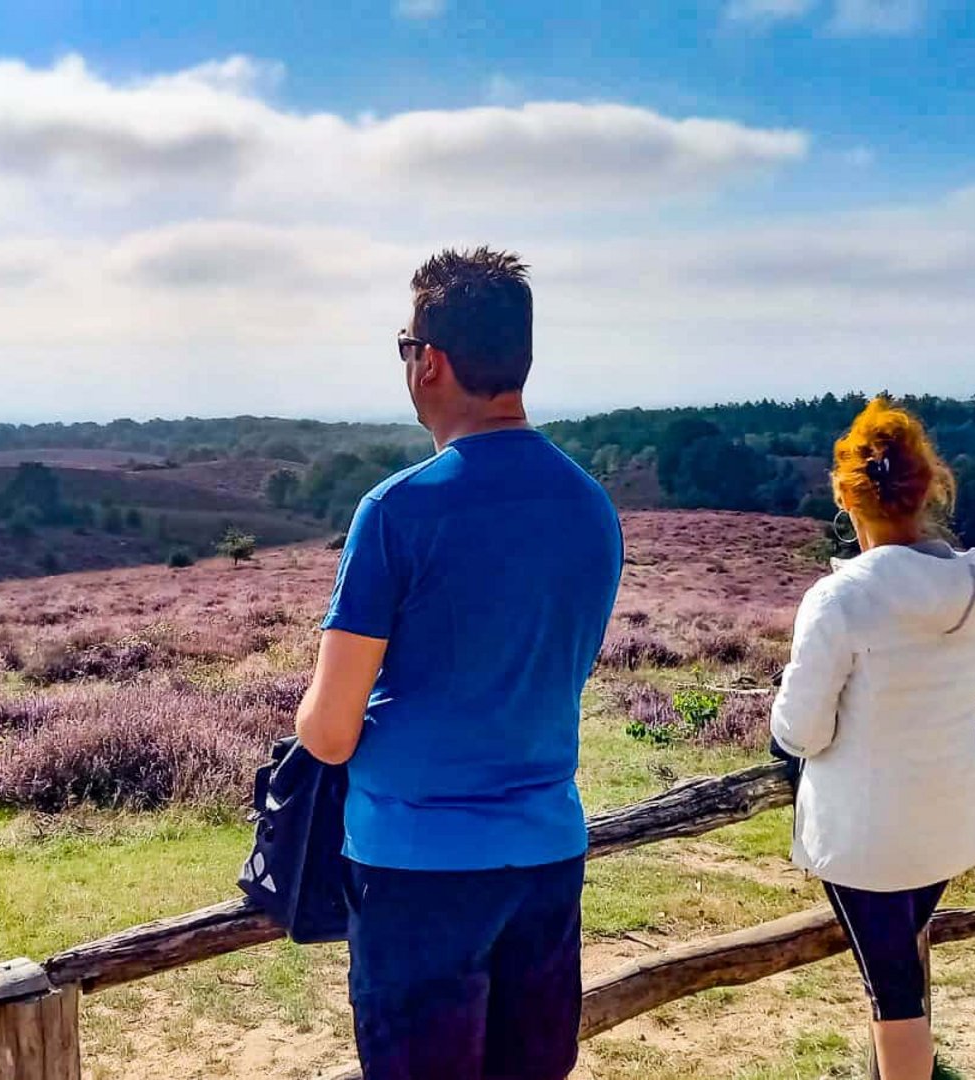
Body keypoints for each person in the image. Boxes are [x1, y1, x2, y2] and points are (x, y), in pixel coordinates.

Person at [294, 247, 623, 1080]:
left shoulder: (395, 513)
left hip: (417, 869)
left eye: (404, 345)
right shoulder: (591, 507)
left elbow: (329, 735)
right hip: (547, 856)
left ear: (430, 361)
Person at [770, 397, 975, 1080]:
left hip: (864, 836)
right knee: (900, 972)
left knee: (893, 990)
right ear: (928, 488)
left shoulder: (840, 598)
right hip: (946, 820)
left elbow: (801, 728)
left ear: (847, 496)